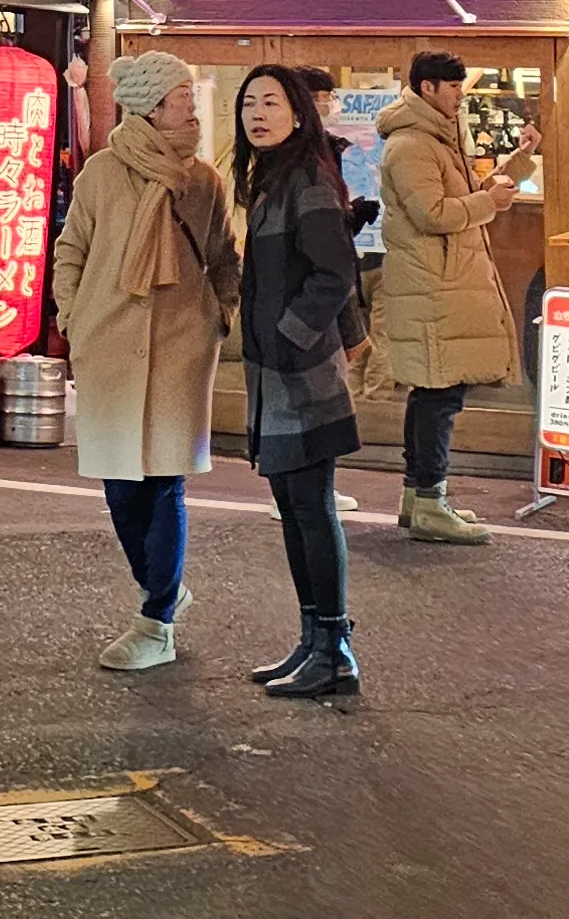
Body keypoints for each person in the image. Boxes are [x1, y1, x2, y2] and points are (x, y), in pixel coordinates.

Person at [54, 49, 242, 673]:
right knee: (119, 486)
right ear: (150, 106)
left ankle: (156, 616)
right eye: (180, 96)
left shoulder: (205, 180)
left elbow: (223, 259)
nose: (191, 105)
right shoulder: (102, 173)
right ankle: (163, 588)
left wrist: (219, 314)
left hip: (182, 346)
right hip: (108, 341)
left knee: (164, 482)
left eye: (189, 94)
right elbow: (72, 250)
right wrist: (73, 317)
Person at [233, 64, 365, 698]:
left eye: (271, 102)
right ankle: (313, 641)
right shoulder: (271, 180)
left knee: (312, 512)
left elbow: (334, 273)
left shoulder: (307, 179)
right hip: (276, 375)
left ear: (298, 113)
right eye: (249, 103)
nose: (258, 113)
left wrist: (289, 335)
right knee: (294, 510)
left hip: (302, 374)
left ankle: (335, 648)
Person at [374, 50, 521, 545]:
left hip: (441, 281)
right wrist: (487, 203)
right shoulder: (412, 144)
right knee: (438, 396)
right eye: (452, 86)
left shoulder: (437, 136)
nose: (460, 94)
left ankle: (419, 498)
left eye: (461, 86)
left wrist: (502, 177)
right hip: (431, 285)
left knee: (436, 395)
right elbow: (432, 214)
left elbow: (452, 200)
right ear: (426, 88)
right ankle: (431, 500)